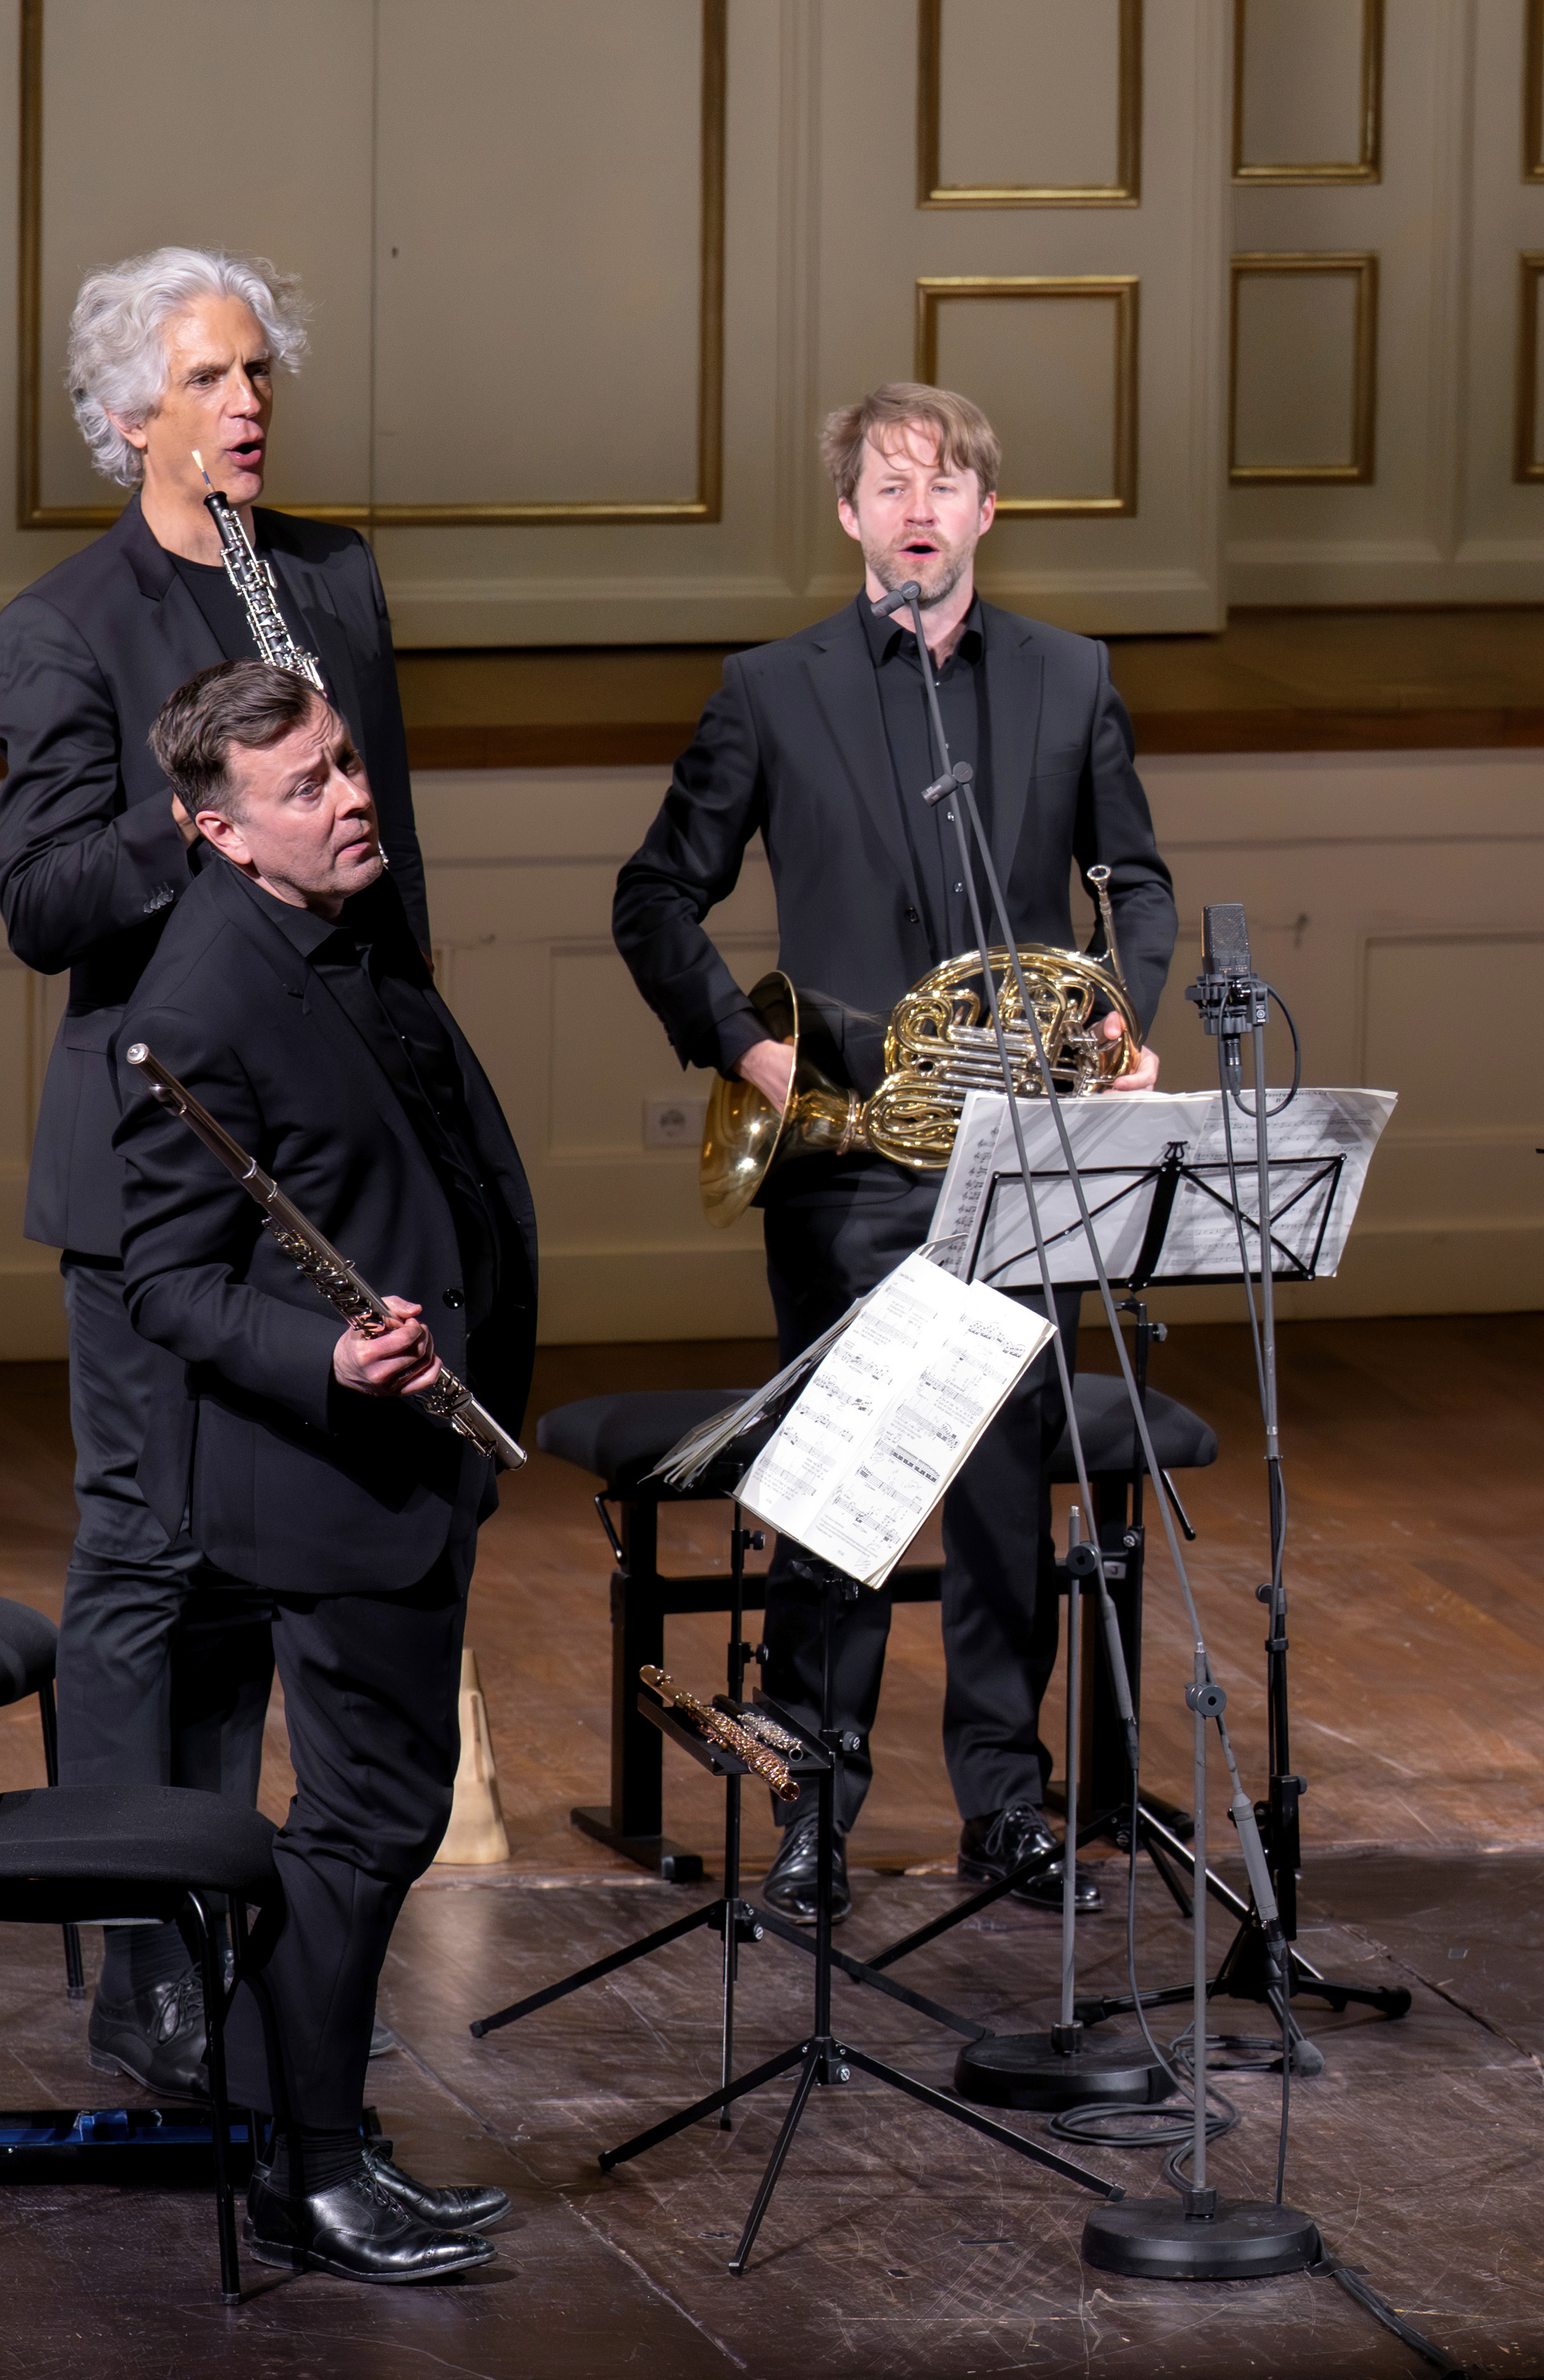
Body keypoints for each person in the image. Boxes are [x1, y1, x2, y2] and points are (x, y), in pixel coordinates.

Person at [613, 383, 1175, 1923]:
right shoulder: (770, 689)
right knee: (845, 1485)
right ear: (851, 516)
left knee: (1004, 1486)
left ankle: (1004, 1801)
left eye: (944, 482)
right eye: (885, 483)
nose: (915, 506)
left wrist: (1124, 1022)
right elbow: (654, 892)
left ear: (987, 510)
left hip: (1023, 1151)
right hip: (850, 1153)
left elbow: (1134, 884)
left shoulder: (1071, 679)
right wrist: (744, 1044)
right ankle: (813, 1802)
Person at [0, 247, 426, 2097]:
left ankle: (218, 1907)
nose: (246, 403)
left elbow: (385, 844)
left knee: (249, 1557)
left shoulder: (328, 576)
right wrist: (199, 823)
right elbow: (38, 900)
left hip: (317, 1149)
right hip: (156, 1156)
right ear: (126, 416)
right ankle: (135, 1959)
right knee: (148, 1554)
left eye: (259, 373)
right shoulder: (69, 618)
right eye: (208, 379)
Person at [117, 660, 532, 2278]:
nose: (355, 796)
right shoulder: (200, 995)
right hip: (333, 1476)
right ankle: (305, 2165)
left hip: (421, 1461)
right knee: (364, 1822)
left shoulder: (346, 922)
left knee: (380, 1814)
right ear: (219, 830)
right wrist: (334, 1354)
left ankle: (322, 2140)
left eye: (348, 763)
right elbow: (165, 1279)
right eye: (309, 787)